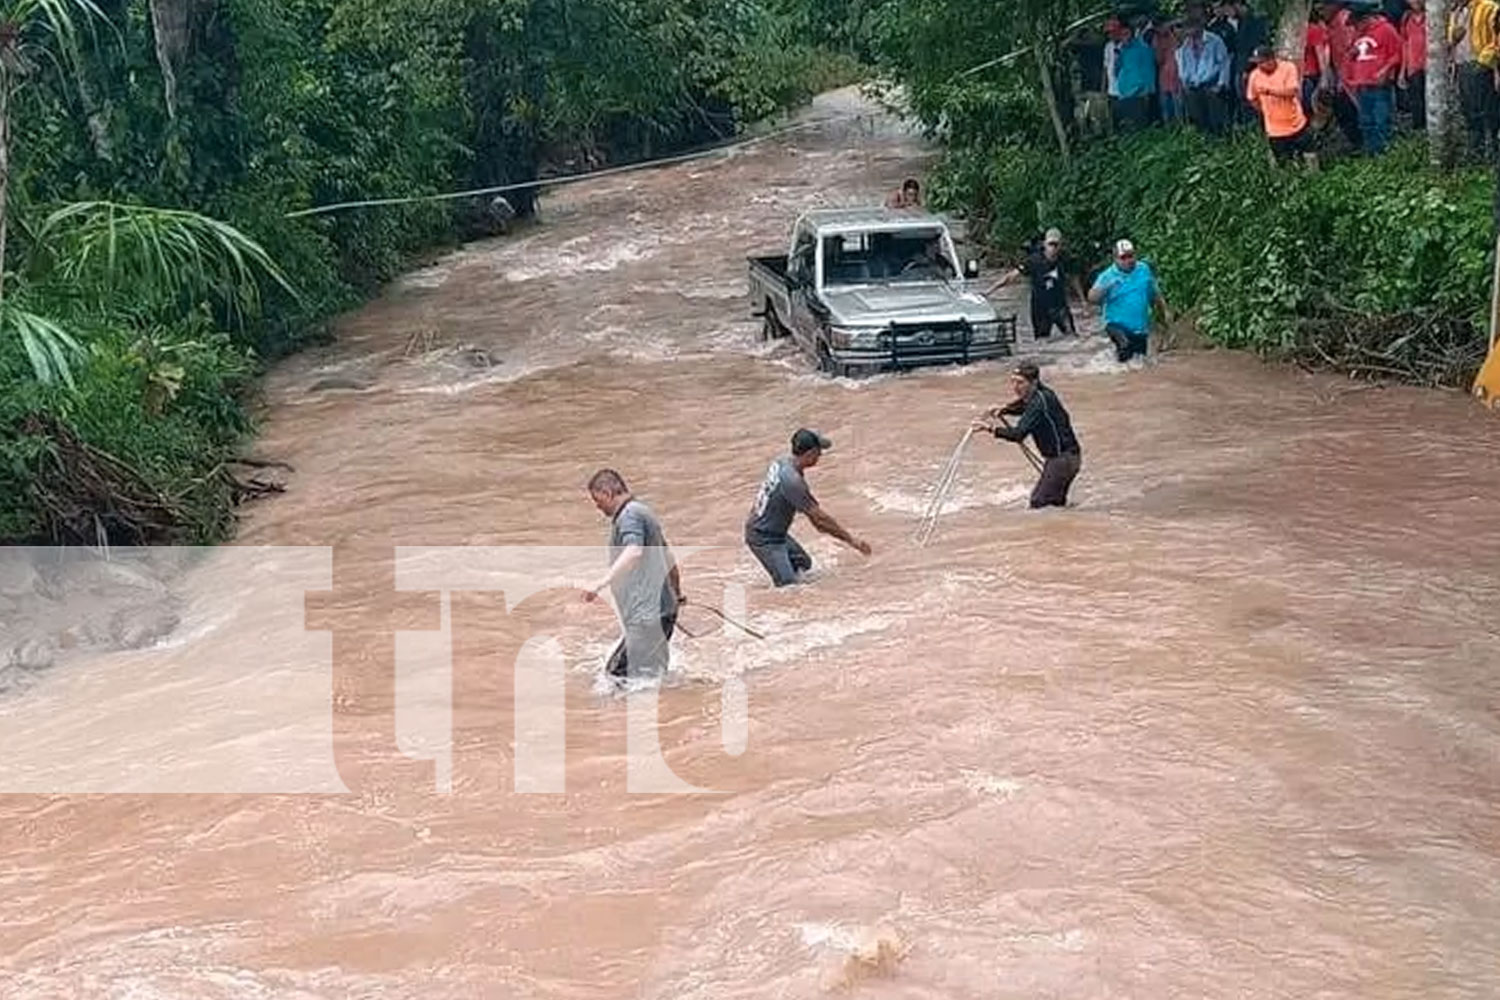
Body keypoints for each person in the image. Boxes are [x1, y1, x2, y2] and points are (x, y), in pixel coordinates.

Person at [582, 469, 683, 681]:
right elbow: (668, 557)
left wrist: (600, 583)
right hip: (661, 612)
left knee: (615, 676)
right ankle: (672, 707)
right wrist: (676, 596)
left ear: (608, 492)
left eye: (597, 500)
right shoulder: (643, 512)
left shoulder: (629, 516)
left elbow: (633, 551)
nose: (597, 507)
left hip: (648, 616)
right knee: (651, 675)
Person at [744, 429, 871, 587]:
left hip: (774, 532)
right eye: (819, 452)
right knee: (789, 586)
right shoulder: (792, 481)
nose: (821, 456)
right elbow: (819, 520)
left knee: (804, 565)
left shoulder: (782, 461)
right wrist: (852, 540)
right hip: (764, 538)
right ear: (810, 453)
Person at [970, 362, 1082, 510]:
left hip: (1062, 460)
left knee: (1038, 503)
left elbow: (1018, 434)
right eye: (1013, 382)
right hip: (1065, 458)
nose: (1015, 387)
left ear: (1034, 382)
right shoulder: (1041, 395)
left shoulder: (1040, 402)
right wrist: (1005, 409)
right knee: (1055, 505)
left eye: (1020, 383)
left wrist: (990, 429)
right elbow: (1023, 406)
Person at [989, 228, 1080, 339]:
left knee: (1072, 336)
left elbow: (1074, 278)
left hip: (1060, 306)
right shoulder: (1034, 260)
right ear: (1044, 244)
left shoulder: (1065, 259)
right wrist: (990, 290)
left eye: (1056, 245)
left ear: (1061, 245)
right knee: (1042, 340)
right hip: (1040, 308)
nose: (1053, 248)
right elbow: (1011, 277)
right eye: (1051, 244)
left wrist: (1083, 300)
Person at [1088, 238, 1168, 364]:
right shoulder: (1107, 276)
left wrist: (1163, 317)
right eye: (1123, 257)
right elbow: (1092, 298)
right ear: (1115, 259)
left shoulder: (1144, 269)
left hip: (1139, 327)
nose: (1128, 261)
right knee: (1125, 347)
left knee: (1139, 362)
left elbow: (1155, 294)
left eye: (1130, 256)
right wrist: (1105, 288)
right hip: (1115, 325)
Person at [1345, 0, 1403, 154]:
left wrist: (1386, 69)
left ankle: (1385, 155)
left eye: (1357, 24)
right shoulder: (1358, 35)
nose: (1355, 28)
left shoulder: (1386, 30)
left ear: (1365, 19)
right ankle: (1371, 154)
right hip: (1361, 86)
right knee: (1366, 123)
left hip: (1379, 87)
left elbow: (1398, 53)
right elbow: (1350, 57)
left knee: (1381, 122)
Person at [1246, 45, 1311, 162]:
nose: (1259, 66)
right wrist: (1265, 111)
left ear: (1271, 60)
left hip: (1296, 123)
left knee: (1307, 154)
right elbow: (1252, 98)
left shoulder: (1288, 68)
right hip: (1275, 129)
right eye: (1258, 63)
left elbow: (1292, 91)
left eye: (1262, 62)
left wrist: (1269, 91)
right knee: (1283, 160)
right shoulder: (1254, 75)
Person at [1177, 16, 1233, 134]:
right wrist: (1184, 82)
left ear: (1198, 27)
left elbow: (1224, 63)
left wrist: (1221, 84)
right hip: (1193, 87)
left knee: (1216, 121)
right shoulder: (1185, 45)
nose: (1188, 32)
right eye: (1186, 29)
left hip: (1211, 86)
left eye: (1190, 28)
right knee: (1199, 121)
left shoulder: (1215, 40)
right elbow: (1183, 65)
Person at [1399, 0, 1428, 129]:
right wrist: (1402, 72)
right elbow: (1404, 45)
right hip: (1413, 66)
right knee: (1416, 102)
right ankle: (1419, 131)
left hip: (1429, 66)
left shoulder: (1431, 17)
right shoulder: (1406, 18)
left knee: (1429, 100)